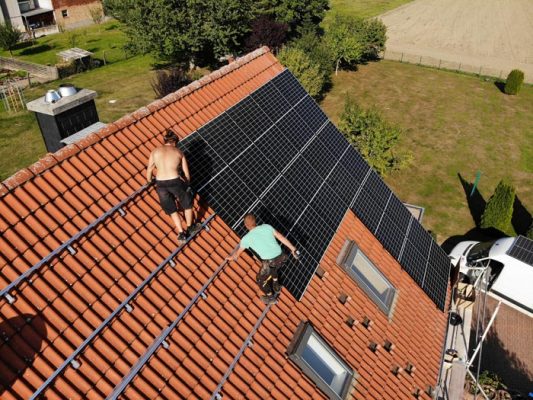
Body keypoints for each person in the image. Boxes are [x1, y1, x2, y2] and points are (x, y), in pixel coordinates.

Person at [228, 214, 299, 304]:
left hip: (270, 262)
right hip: (282, 257)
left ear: (245, 225)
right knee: (273, 267)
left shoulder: (246, 239)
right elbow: (280, 237)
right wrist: (293, 249)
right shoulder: (267, 226)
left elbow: (236, 255)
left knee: (260, 280)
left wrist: (230, 257)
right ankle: (276, 285)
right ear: (255, 221)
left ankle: (270, 298)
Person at [146, 130, 200, 244]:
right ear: (175, 142)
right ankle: (190, 227)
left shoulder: (155, 152)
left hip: (160, 183)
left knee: (171, 209)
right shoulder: (179, 152)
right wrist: (187, 184)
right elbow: (186, 173)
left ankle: (181, 233)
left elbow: (150, 169)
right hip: (175, 181)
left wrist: (149, 181)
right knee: (187, 204)